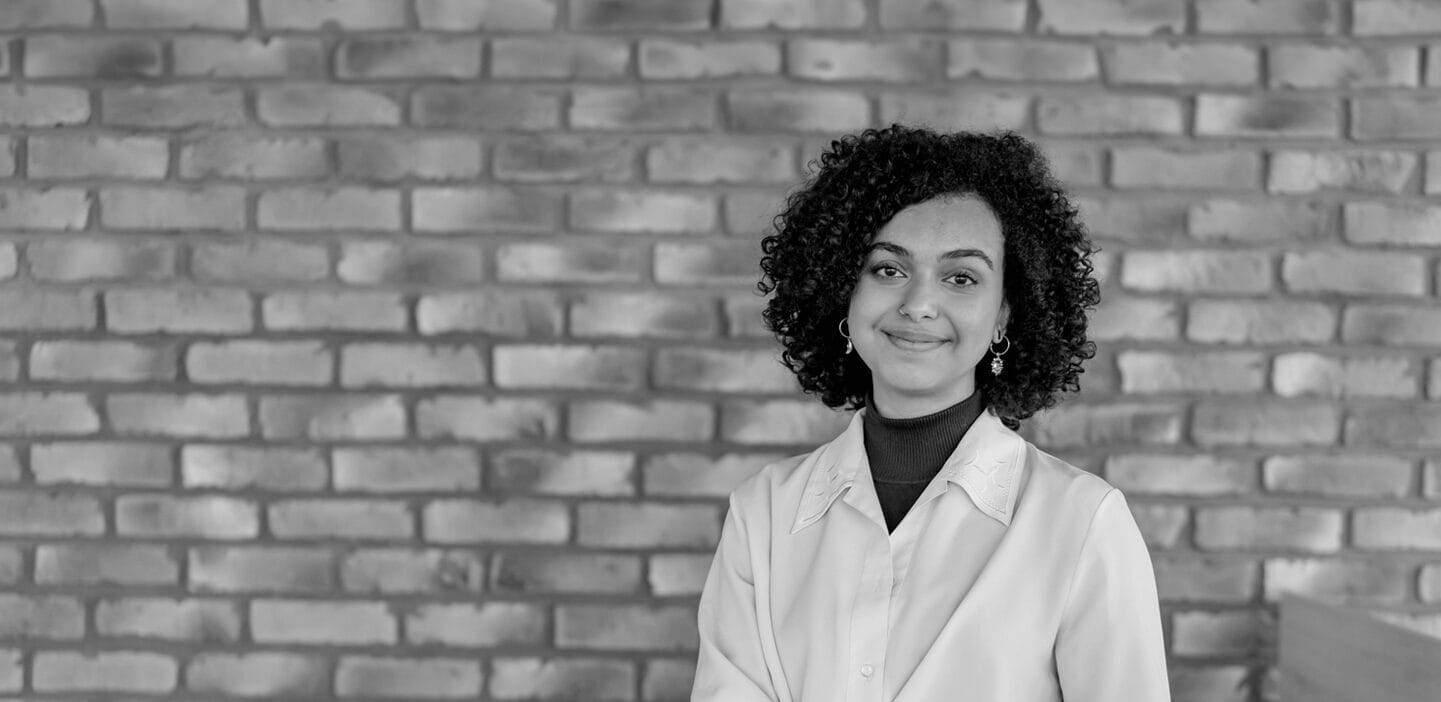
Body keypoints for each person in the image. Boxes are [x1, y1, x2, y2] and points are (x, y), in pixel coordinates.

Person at [692, 126, 1169, 701]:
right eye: (887, 269)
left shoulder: (1082, 522)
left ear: (1004, 315)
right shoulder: (763, 515)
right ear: (843, 290)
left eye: (961, 277)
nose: (918, 304)